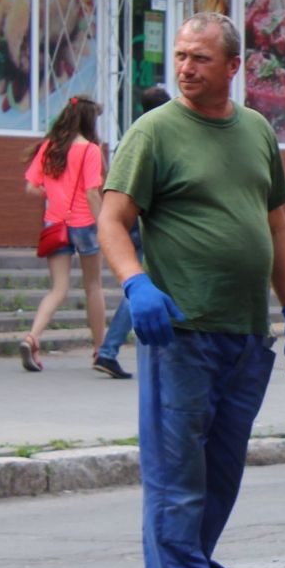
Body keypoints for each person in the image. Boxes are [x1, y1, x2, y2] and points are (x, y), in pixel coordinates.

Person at [97, 12, 285, 568]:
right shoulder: (154, 131)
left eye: (200, 58)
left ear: (234, 66)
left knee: (222, 468)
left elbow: (276, 224)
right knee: (176, 470)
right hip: (181, 329)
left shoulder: (256, 131)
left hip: (245, 333)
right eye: (181, 56)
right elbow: (112, 220)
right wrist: (136, 283)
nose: (186, 68)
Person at [20, 96, 107, 372]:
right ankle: (101, 350)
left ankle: (32, 338)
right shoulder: (91, 150)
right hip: (85, 224)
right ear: (89, 120)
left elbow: (31, 188)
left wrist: (55, 194)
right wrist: (104, 224)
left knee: (58, 288)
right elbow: (92, 193)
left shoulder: (50, 147)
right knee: (93, 287)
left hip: (54, 224)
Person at [93, 85, 172, 380]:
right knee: (141, 285)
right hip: (143, 222)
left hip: (134, 220)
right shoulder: (154, 136)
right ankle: (109, 350)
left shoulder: (134, 134)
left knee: (145, 284)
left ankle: (113, 351)